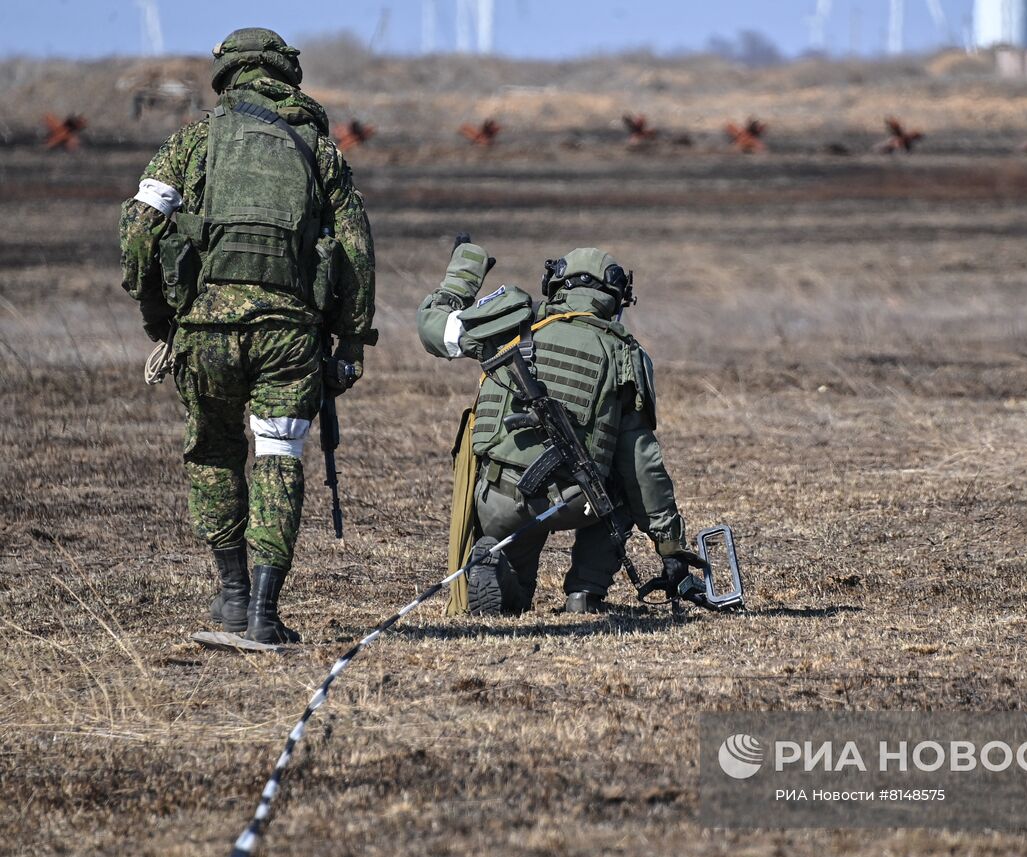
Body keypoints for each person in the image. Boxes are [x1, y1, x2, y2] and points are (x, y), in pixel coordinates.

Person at [118, 27, 376, 643]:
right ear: (287, 75)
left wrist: (161, 320)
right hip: (289, 335)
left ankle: (232, 593)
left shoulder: (193, 140)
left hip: (203, 330)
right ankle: (263, 612)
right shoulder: (319, 149)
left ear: (227, 75)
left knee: (212, 454)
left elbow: (136, 234)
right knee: (278, 456)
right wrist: (349, 345)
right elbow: (357, 251)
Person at [417, 239, 702, 615]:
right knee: (620, 485)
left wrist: (463, 274)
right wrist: (671, 547)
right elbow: (642, 466)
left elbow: (433, 329)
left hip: (498, 498)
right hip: (572, 502)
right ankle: (584, 593)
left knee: (514, 589)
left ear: (553, 285)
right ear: (616, 299)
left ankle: (498, 570)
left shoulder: (510, 324)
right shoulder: (623, 355)